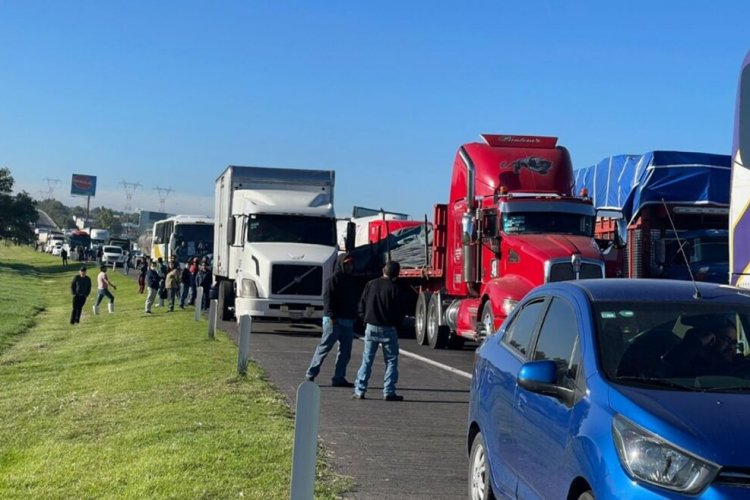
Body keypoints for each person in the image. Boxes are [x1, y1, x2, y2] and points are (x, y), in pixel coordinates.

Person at [352, 261, 405, 401]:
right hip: (388, 328)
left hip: (371, 326)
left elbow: (362, 303)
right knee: (392, 360)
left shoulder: (371, 284)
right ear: (397, 274)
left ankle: (360, 390)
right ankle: (389, 391)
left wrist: (364, 318)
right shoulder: (395, 288)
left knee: (367, 359)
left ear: (383, 270)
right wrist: (397, 324)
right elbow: (400, 311)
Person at [305, 254, 360, 387]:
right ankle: (310, 374)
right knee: (324, 348)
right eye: (346, 264)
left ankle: (339, 377)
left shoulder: (352, 280)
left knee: (345, 352)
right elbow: (328, 298)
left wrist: (355, 315)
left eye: (351, 264)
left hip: (348, 320)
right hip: (334, 320)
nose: (349, 267)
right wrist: (331, 316)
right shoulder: (333, 279)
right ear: (341, 264)